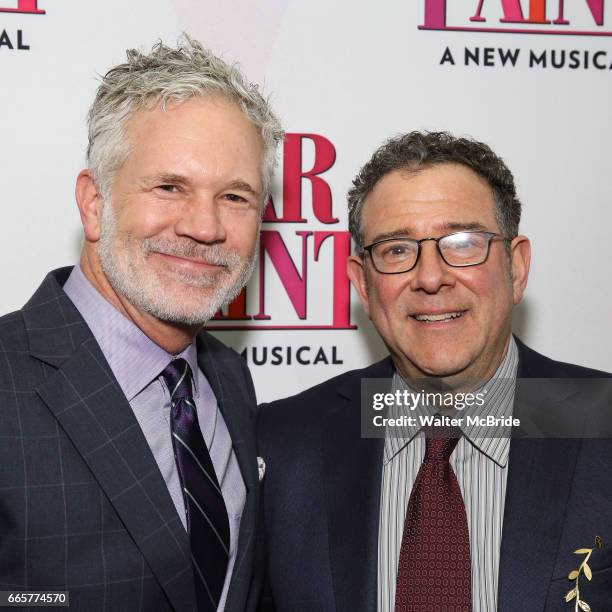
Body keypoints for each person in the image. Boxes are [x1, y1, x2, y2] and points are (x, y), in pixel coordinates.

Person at [256, 132, 612, 612]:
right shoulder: (280, 445)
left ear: (517, 267)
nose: (429, 277)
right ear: (362, 282)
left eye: (463, 243)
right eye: (397, 250)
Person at [0, 36, 283, 612]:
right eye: (170, 187)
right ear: (94, 203)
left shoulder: (230, 382)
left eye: (234, 196)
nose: (205, 227)